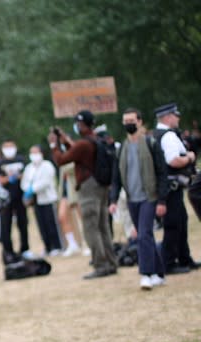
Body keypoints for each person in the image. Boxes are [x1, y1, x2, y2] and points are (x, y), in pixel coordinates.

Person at [49, 110, 118, 279]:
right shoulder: (96, 140)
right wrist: (66, 141)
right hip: (101, 186)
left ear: (82, 125)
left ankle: (100, 264)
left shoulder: (83, 144)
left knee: (90, 228)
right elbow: (79, 153)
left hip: (88, 188)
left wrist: (54, 145)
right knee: (103, 227)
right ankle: (110, 262)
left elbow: (61, 160)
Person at [109, 108, 168, 290]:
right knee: (146, 235)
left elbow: (162, 173)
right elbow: (116, 177)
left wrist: (162, 201)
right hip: (131, 199)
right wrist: (112, 201)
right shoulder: (122, 150)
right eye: (126, 120)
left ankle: (146, 274)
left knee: (142, 235)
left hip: (149, 198)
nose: (129, 124)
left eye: (132, 120)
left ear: (140, 121)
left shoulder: (150, 143)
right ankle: (159, 273)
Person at [153, 102, 197, 274]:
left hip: (170, 188)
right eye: (175, 115)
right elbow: (173, 160)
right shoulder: (168, 136)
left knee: (181, 222)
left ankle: (185, 258)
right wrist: (190, 158)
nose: (178, 119)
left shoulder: (160, 134)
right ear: (167, 117)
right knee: (173, 225)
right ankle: (169, 263)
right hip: (171, 188)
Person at [0, 140, 31, 262]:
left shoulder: (21, 160)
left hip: (20, 197)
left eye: (11, 146)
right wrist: (12, 177)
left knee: (23, 224)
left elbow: (28, 175)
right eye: (6, 147)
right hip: (5, 199)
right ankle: (8, 252)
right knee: (5, 226)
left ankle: (25, 249)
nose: (9, 149)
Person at [21, 145, 62, 256]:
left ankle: (57, 246)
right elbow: (24, 182)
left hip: (48, 199)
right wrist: (27, 189)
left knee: (51, 223)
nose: (34, 155)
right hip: (36, 201)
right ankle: (47, 246)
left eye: (36, 152)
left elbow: (45, 181)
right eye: (32, 153)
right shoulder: (29, 168)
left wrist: (32, 189)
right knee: (41, 225)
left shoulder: (47, 166)